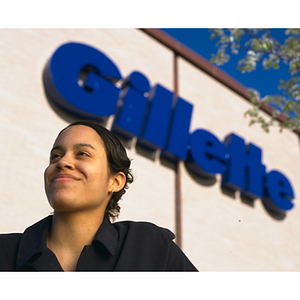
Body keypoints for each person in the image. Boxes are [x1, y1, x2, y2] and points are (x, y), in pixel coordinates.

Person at [0, 120, 197, 271]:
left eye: (82, 154)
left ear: (115, 181)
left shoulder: (150, 248)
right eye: (56, 156)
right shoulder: (4, 252)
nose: (62, 162)